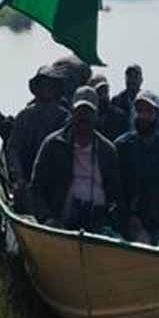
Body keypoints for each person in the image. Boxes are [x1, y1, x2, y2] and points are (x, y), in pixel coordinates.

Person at [30, 87, 121, 232]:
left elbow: (116, 195)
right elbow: (36, 189)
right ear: (72, 112)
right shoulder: (52, 144)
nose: (83, 116)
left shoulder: (108, 150)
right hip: (60, 224)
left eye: (89, 112)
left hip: (98, 226)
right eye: (79, 111)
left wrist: (109, 222)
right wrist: (47, 218)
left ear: (96, 115)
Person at [115, 91, 159, 244]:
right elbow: (116, 190)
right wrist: (129, 219)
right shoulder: (122, 146)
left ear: (157, 114)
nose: (143, 116)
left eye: (148, 111)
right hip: (128, 221)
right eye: (140, 111)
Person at [5, 65, 69, 207]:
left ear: (57, 89)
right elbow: (13, 149)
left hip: (55, 181)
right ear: (37, 88)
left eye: (51, 85)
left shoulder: (66, 118)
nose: (47, 89)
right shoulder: (24, 116)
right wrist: (19, 178)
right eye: (43, 84)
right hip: (27, 178)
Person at [89, 74, 128, 142]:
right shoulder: (88, 117)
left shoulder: (120, 116)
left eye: (105, 91)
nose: (103, 95)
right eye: (100, 92)